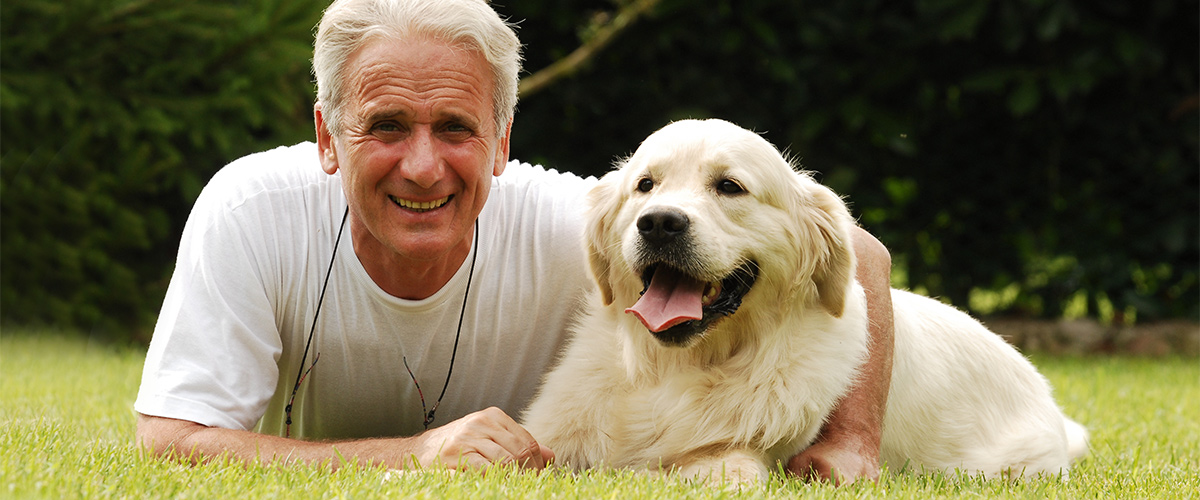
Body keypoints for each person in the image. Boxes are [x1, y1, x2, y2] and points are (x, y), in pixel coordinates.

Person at [134, 0, 894, 484]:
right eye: (388, 125)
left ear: (501, 143)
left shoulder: (578, 221)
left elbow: (862, 254)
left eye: (458, 129)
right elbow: (171, 439)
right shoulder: (252, 211)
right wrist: (414, 455)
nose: (424, 166)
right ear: (329, 136)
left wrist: (854, 436)